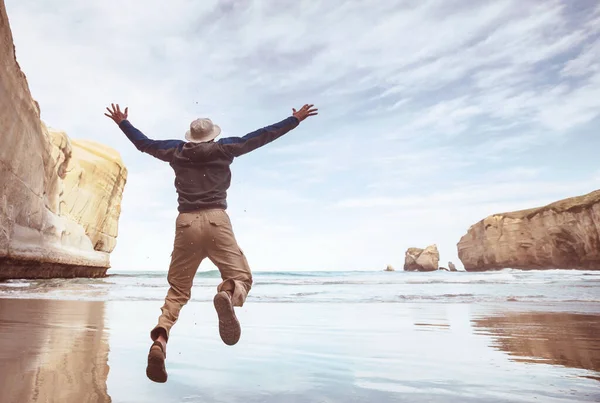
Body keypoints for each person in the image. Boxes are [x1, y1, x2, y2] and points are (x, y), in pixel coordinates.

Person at [104, 103, 318, 383]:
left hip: (186, 223)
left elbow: (144, 144)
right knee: (242, 277)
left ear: (191, 137)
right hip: (217, 220)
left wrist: (123, 123)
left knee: (178, 290)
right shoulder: (224, 148)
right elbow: (262, 135)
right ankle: (228, 291)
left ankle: (160, 339)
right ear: (212, 136)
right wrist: (294, 119)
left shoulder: (176, 151)